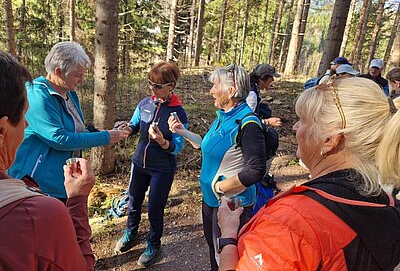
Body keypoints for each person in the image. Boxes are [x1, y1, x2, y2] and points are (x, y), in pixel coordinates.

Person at [217, 76, 400, 270]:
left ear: (329, 140)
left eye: (303, 120)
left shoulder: (290, 224)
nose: (295, 127)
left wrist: (228, 236)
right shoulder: (386, 203)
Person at [0, 51, 96, 269]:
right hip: (44, 184)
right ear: (2, 130)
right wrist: (78, 200)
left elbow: (76, 128)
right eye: (23, 117)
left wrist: (94, 132)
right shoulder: (37, 216)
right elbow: (60, 138)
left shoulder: (70, 94)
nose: (26, 126)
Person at [169, 65, 267, 271]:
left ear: (231, 91)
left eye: (215, 86)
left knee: (226, 258)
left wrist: (221, 188)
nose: (211, 91)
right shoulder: (224, 115)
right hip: (211, 201)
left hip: (230, 206)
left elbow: (256, 169)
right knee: (214, 252)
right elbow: (207, 144)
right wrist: (182, 131)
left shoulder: (248, 123)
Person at [8, 42, 130, 202]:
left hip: (64, 182)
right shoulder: (36, 95)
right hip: (37, 184)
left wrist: (107, 132)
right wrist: (107, 137)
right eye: (78, 75)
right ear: (58, 72)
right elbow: (60, 139)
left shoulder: (69, 93)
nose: (82, 79)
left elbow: (76, 133)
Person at [113, 62, 188, 267]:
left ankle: (153, 244)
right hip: (139, 164)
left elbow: (178, 146)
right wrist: (126, 127)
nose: (151, 89)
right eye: (150, 83)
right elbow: (135, 125)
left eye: (157, 86)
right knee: (133, 202)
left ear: (171, 86)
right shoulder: (145, 103)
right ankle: (130, 232)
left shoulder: (178, 113)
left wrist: (162, 141)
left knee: (155, 208)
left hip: (162, 169)